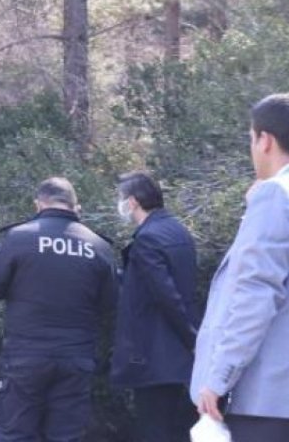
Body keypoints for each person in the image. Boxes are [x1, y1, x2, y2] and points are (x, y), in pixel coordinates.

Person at [0, 177, 118, 442]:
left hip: (25, 357)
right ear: (75, 206)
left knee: (16, 435)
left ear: (39, 203)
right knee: (65, 436)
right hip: (75, 359)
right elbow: (110, 303)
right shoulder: (99, 246)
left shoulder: (19, 238)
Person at [192, 94, 289, 440]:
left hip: (268, 399)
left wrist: (219, 378)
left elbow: (255, 294)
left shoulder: (276, 195)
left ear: (265, 141)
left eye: (251, 139)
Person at [108, 171, 199, 442]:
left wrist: (191, 337)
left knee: (155, 429)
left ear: (133, 201)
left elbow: (165, 295)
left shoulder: (147, 238)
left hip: (152, 354)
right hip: (176, 356)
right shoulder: (178, 230)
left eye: (122, 198)